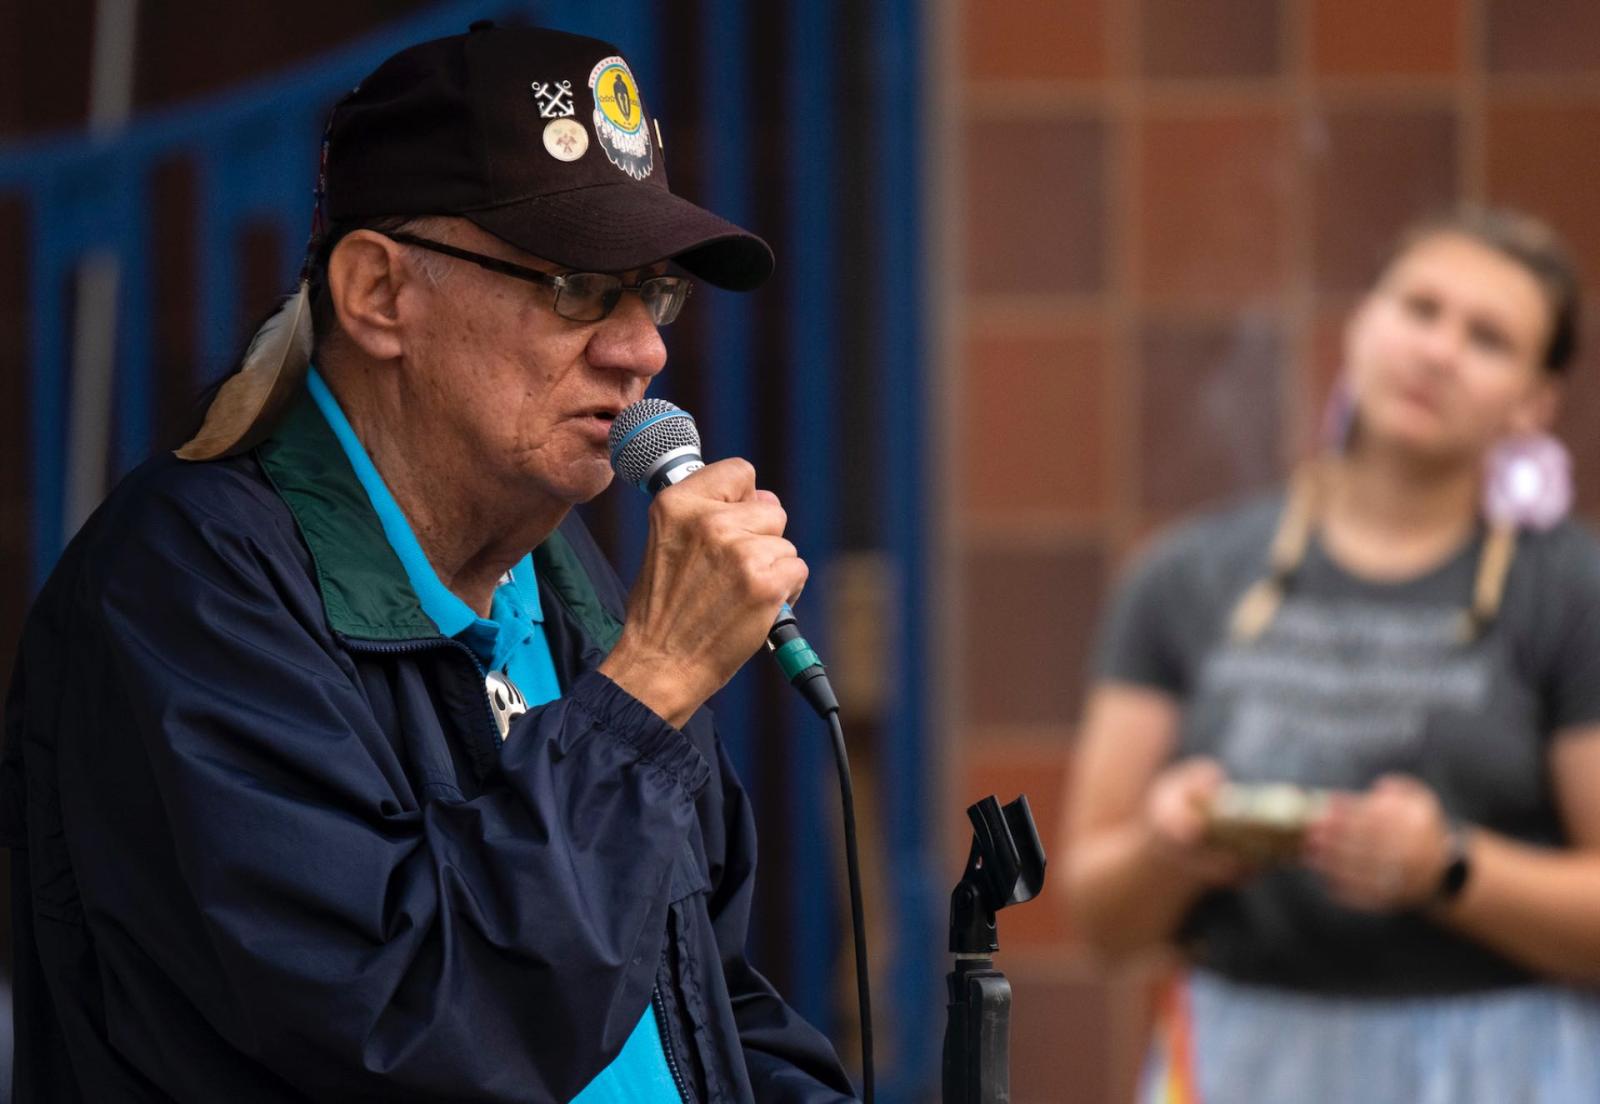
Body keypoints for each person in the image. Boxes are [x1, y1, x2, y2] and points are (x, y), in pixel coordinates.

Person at [1, 22, 856, 1103]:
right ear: (378, 293)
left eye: (656, 293)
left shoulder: (567, 578)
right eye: (575, 287)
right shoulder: (185, 593)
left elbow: (711, 1009)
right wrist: (645, 697)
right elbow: (406, 1034)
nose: (641, 347)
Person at [1060, 207, 1600, 1102]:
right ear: (1361, 325)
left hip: (1501, 1067)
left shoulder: (1572, 592)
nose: (1438, 350)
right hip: (1242, 1061)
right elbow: (1097, 919)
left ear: (1535, 405)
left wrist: (1451, 869)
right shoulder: (1186, 576)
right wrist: (1167, 847)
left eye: (1489, 338)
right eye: (1419, 309)